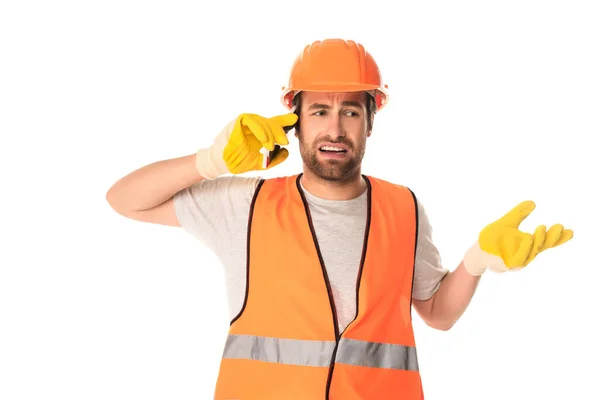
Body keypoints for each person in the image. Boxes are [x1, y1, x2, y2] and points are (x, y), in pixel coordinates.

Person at [106, 38, 573, 400]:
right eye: (320, 111)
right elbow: (126, 199)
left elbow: (438, 314)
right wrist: (210, 161)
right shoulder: (245, 204)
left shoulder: (403, 208)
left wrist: (476, 262)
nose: (334, 129)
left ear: (370, 121)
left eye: (350, 110)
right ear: (295, 120)